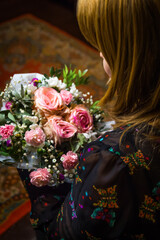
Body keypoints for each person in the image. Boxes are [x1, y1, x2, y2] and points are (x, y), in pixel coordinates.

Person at [18, 0, 160, 239]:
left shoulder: (114, 162)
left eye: (104, 43)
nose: (101, 52)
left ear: (132, 53)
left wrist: (32, 160)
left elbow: (62, 234)